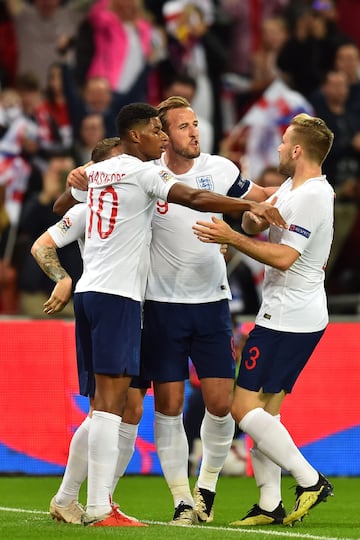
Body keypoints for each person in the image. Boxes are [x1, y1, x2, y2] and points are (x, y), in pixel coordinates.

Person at [65, 101, 286, 528]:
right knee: (162, 406)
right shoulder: (148, 175)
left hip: (211, 302)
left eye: (194, 125)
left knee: (221, 405)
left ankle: (205, 488)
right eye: (177, 127)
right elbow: (74, 203)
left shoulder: (220, 168)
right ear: (155, 134)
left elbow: (263, 201)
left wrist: (292, 204)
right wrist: (77, 179)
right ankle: (182, 501)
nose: (189, 133)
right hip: (158, 306)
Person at [193, 112, 335, 526]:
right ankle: (270, 504)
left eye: (282, 142)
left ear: (296, 150)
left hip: (288, 315)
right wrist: (252, 220)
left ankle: (310, 480)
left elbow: (286, 258)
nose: (276, 149)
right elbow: (258, 217)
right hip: (293, 312)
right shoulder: (292, 187)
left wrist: (230, 236)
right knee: (266, 416)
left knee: (242, 408)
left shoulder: (312, 196)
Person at [31, 137, 150, 525]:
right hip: (113, 301)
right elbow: (41, 246)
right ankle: (98, 504)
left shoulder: (139, 198)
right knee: (107, 406)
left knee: (126, 407)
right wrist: (63, 277)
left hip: (133, 304)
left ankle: (70, 498)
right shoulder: (87, 208)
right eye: (116, 166)